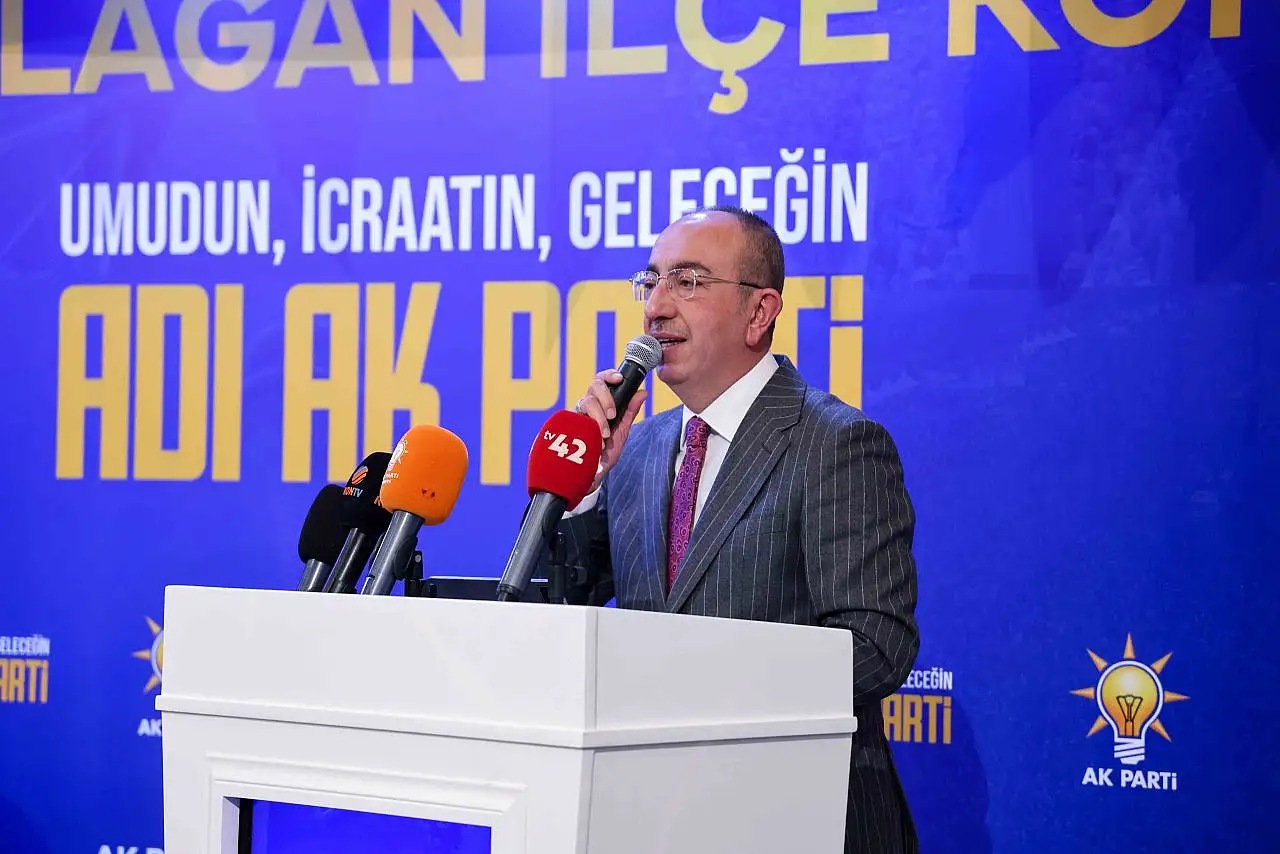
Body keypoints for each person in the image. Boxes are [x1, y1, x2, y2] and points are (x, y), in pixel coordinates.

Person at [556, 205, 920, 854]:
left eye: (689, 281)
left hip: (796, 816)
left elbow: (876, 645)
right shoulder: (639, 451)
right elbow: (560, 603)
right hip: (653, 817)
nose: (656, 307)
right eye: (651, 281)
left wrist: (699, 684)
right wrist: (582, 489)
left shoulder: (834, 444)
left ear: (759, 313)